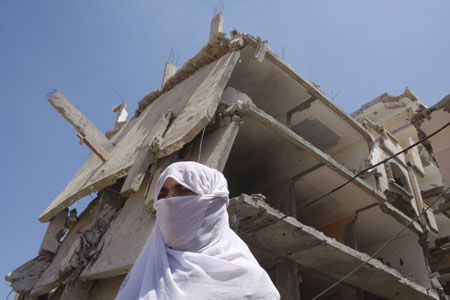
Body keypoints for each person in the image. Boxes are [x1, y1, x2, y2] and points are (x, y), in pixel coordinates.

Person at [115, 161, 280, 300]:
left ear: (213, 203)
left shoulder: (252, 285)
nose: (170, 200)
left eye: (183, 190)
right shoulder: (143, 274)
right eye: (163, 195)